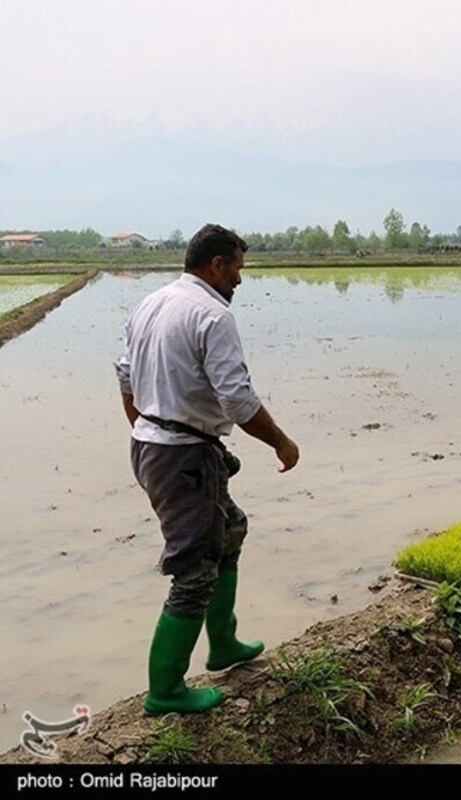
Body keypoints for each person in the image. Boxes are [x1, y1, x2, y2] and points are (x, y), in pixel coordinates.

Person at [114, 223, 299, 715]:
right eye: (237, 268)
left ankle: (224, 643)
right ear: (217, 265)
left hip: (158, 445)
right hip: (183, 456)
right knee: (194, 568)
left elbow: (124, 371)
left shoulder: (152, 301)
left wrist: (145, 425)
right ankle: (166, 690)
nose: (240, 279)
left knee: (231, 528)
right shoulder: (213, 315)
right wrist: (281, 442)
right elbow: (237, 400)